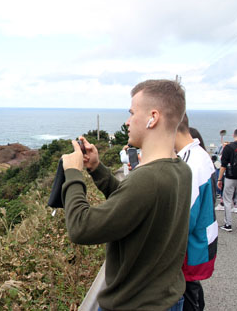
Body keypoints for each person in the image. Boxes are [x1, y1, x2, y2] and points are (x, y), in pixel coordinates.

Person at [61, 79, 191, 310]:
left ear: (153, 117)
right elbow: (134, 205)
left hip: (135, 304)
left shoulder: (148, 178)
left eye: (132, 113)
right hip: (166, 298)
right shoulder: (180, 169)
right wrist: (97, 168)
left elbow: (81, 227)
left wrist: (73, 174)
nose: (127, 121)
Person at [176, 118, 218, 311]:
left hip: (190, 248)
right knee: (192, 290)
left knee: (187, 293)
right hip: (201, 241)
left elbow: (183, 222)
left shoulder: (189, 164)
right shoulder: (200, 155)